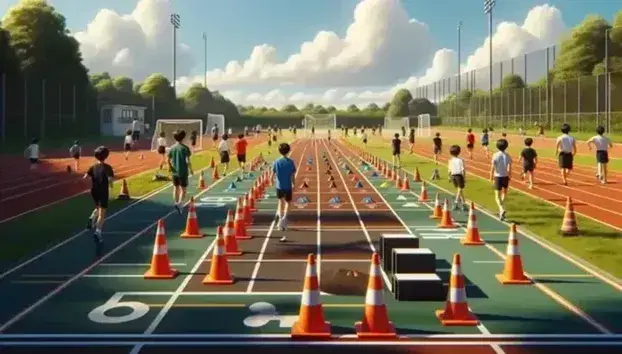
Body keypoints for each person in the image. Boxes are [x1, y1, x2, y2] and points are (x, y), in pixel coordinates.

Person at [84, 146, 114, 256]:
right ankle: (98, 232)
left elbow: (86, 177)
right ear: (106, 156)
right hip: (103, 191)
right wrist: (111, 185)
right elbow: (110, 180)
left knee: (97, 207)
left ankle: (91, 218)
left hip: (94, 191)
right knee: (102, 213)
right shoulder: (107, 167)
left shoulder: (92, 167)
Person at [273, 142, 297, 237]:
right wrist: (294, 184)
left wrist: (271, 180)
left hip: (279, 186)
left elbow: (272, 174)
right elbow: (292, 175)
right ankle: (284, 219)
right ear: (288, 151)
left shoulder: (276, 161)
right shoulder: (291, 162)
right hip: (287, 186)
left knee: (280, 202)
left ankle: (280, 218)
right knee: (288, 203)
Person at [168, 130, 194, 215]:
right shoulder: (185, 148)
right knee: (183, 190)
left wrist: (170, 167)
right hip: (183, 172)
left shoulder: (172, 148)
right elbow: (187, 160)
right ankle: (180, 203)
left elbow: (168, 159)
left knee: (175, 188)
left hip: (174, 172)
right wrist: (191, 169)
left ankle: (176, 203)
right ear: (183, 137)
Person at [490, 139, 512, 221]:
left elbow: (492, 167)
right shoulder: (508, 155)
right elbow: (509, 168)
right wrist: (510, 176)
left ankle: (501, 208)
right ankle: (501, 210)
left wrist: (491, 177)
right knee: (504, 194)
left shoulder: (495, 155)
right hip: (505, 176)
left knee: (497, 196)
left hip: (498, 176)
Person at [447, 145, 468, 212]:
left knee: (460, 190)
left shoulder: (450, 160)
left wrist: (449, 177)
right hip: (459, 176)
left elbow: (449, 170)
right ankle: (456, 202)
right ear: (459, 152)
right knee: (460, 189)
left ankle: (464, 204)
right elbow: (463, 170)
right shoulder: (460, 160)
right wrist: (464, 178)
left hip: (453, 176)